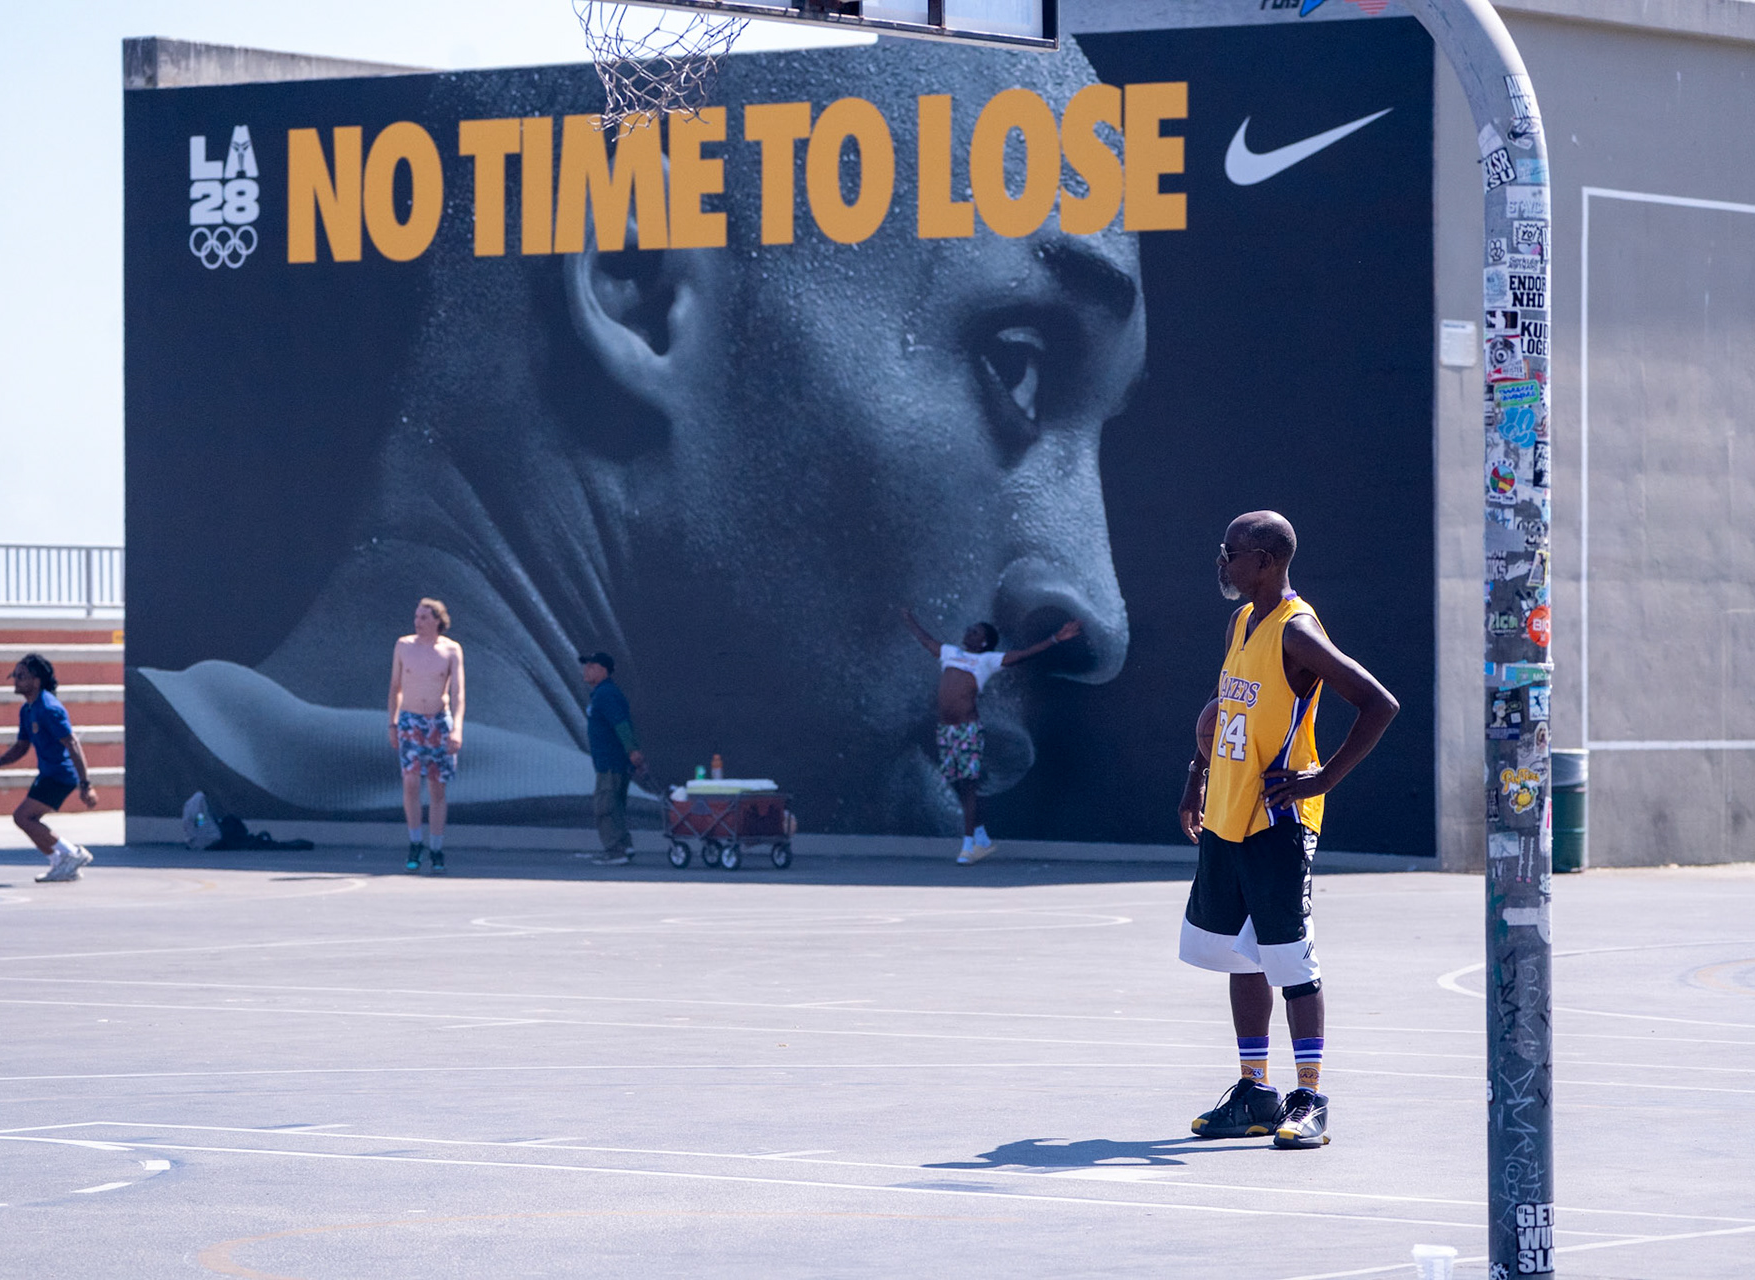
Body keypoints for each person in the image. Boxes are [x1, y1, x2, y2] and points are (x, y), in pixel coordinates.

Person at [130, 39, 1140, 839]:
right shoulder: (643, 877)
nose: (1100, 614)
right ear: (640, 280)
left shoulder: (164, 774)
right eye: (1018, 365)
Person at [1176, 511, 1398, 1150]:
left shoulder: (1296, 631)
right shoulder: (1242, 620)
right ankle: (1254, 1091)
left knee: (1291, 960)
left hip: (1277, 821)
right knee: (1239, 954)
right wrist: (1195, 775)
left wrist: (1323, 778)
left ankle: (1309, 1098)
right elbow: (1223, 706)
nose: (1223, 562)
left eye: (1232, 552)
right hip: (1229, 812)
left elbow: (1379, 703)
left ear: (1267, 560)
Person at [902, 609, 1083, 863]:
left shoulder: (986, 661)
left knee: (968, 785)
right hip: (946, 730)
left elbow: (1022, 655)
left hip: (967, 729)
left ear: (984, 642)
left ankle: (969, 846)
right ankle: (980, 835)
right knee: (956, 782)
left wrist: (1055, 639)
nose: (969, 632)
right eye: (970, 629)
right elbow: (926, 640)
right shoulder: (950, 653)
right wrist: (909, 618)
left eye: (975, 631)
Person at [0, 653, 100, 883]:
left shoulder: (49, 708)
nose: (15, 680)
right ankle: (60, 863)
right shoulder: (27, 710)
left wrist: (86, 784)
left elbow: (73, 743)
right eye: (14, 675)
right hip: (48, 774)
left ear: (36, 681)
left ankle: (72, 853)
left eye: (21, 676)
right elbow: (21, 747)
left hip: (60, 774)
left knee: (23, 817)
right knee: (25, 819)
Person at [388, 598, 465, 873]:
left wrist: (456, 728)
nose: (417, 622)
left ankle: (436, 847)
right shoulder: (403, 645)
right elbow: (395, 687)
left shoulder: (451, 650)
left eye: (423, 617)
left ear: (437, 621)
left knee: (436, 787)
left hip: (438, 722)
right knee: (410, 782)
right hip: (410, 720)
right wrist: (393, 724)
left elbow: (458, 693)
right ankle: (415, 842)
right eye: (416, 617)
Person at [580, 652, 645, 867]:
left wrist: (632, 751)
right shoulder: (604, 693)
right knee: (615, 805)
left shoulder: (606, 694)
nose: (586, 670)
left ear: (603, 670)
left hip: (611, 763)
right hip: (612, 762)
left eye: (591, 666)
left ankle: (616, 851)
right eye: (586, 666)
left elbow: (621, 724)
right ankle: (624, 845)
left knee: (605, 807)